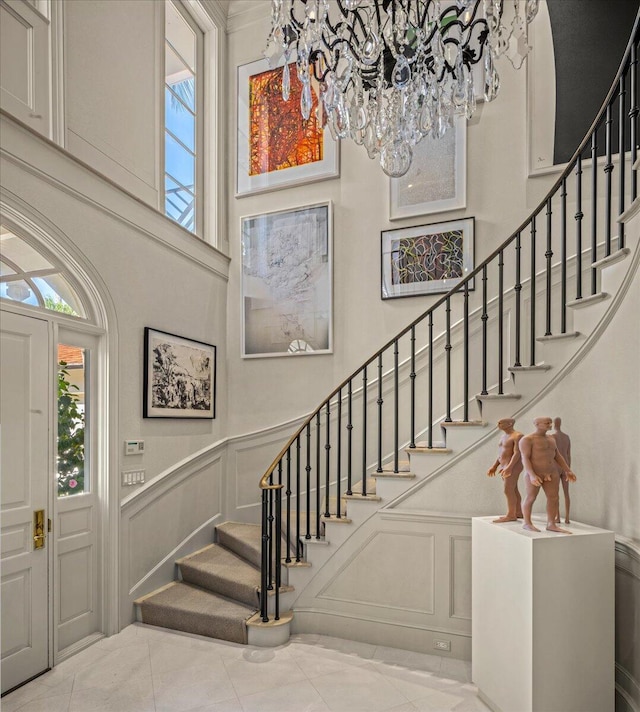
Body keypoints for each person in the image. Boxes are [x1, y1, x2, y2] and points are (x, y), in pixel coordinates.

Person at [519, 416, 577, 534]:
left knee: (554, 497)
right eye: (547, 423)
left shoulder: (551, 438)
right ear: (537, 424)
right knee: (531, 497)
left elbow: (557, 455)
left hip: (551, 472)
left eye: (550, 423)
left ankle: (551, 523)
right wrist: (531, 474)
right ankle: (527, 523)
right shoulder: (527, 439)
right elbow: (525, 458)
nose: (550, 425)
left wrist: (567, 470)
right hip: (535, 473)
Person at [487, 418, 524, 522]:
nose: (498, 424)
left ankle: (511, 515)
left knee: (508, 490)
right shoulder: (503, 436)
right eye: (498, 422)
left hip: (513, 466)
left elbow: (517, 453)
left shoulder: (518, 436)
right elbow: (501, 453)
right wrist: (495, 466)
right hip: (505, 466)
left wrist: (509, 467)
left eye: (501, 423)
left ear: (510, 423)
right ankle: (518, 512)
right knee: (513, 489)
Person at [552, 417, 572, 524]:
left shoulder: (552, 437)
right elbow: (568, 455)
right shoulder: (566, 437)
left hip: (556, 466)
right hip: (565, 466)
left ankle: (558, 517)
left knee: (555, 493)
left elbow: (552, 454)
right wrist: (569, 469)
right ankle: (567, 518)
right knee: (566, 493)